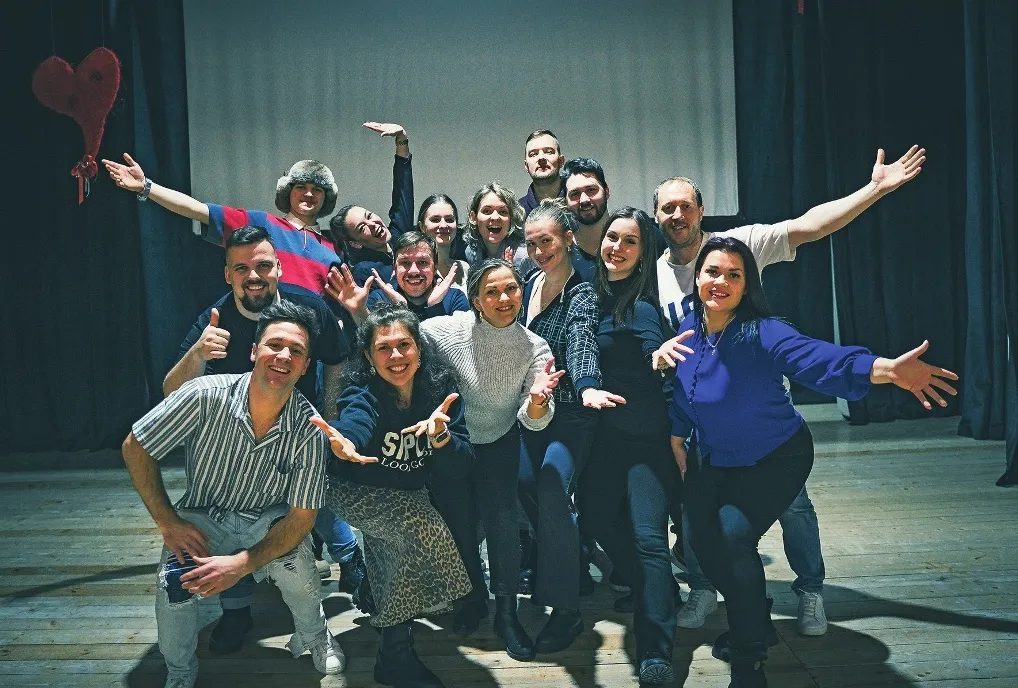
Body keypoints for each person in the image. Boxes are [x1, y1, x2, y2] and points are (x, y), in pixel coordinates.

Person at [653, 145, 926, 635]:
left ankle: (810, 591)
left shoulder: (738, 249)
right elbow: (665, 355)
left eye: (685, 205)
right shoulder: (656, 279)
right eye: (667, 207)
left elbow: (811, 227)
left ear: (701, 211)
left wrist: (873, 189)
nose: (677, 215)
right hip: (704, 427)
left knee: (792, 507)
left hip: (766, 420)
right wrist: (674, 424)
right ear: (656, 215)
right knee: (698, 517)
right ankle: (704, 590)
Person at [663, 235, 957, 687]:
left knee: (731, 537)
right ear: (697, 276)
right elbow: (690, 391)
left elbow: (822, 360)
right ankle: (755, 618)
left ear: (747, 285)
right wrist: (677, 436)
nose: (721, 281)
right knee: (702, 542)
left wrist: (885, 370)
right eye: (713, 271)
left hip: (776, 457)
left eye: (734, 275)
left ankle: (749, 658)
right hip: (715, 457)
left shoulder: (764, 332)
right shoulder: (689, 327)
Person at [162, 226, 366, 653]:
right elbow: (172, 395)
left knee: (313, 497)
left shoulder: (308, 306)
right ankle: (236, 611)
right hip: (230, 443)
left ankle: (350, 559)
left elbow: (337, 360)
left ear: (278, 268)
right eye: (241, 268)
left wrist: (330, 420)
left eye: (262, 266)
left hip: (295, 431)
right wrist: (197, 354)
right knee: (226, 511)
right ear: (228, 275)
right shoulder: (214, 320)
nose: (253, 276)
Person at [121, 301, 346, 688]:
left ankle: (313, 635)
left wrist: (241, 564)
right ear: (254, 351)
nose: (284, 356)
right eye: (275, 345)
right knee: (174, 583)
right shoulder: (204, 394)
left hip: (267, 519)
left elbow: (301, 519)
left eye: (296, 351)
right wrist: (167, 521)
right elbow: (136, 446)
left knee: (298, 566)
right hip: (204, 518)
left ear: (306, 366)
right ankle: (180, 670)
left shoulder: (309, 428)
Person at [312, 306, 473, 688]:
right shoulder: (363, 391)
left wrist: (441, 437)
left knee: (397, 544)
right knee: (421, 526)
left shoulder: (440, 392)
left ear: (420, 349)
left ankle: (377, 604)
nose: (396, 356)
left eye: (404, 345)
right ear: (368, 357)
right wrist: (345, 442)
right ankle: (395, 653)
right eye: (383, 348)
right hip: (353, 488)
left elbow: (461, 465)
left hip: (405, 490)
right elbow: (356, 419)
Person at [419, 259, 563, 661]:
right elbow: (403, 336)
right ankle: (473, 600)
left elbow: (534, 421)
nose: (504, 298)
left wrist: (538, 401)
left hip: (500, 442)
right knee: (459, 526)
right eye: (492, 292)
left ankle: (507, 614)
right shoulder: (447, 331)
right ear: (476, 301)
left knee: (503, 527)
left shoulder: (534, 347)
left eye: (511, 289)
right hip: (454, 442)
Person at [577, 207, 683, 685]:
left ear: (644, 254)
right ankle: (652, 587)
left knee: (648, 539)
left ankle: (656, 651)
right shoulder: (589, 297)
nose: (616, 247)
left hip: (645, 441)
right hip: (605, 439)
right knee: (597, 519)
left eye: (630, 241)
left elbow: (651, 346)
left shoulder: (641, 307)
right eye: (612, 237)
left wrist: (658, 356)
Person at [517, 199, 619, 653]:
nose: (540, 251)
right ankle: (571, 563)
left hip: (573, 414)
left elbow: (581, 340)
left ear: (568, 239)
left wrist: (587, 385)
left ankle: (566, 611)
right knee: (526, 485)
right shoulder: (528, 283)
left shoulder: (582, 292)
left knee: (552, 485)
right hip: (532, 412)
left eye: (547, 241)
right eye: (532, 243)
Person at [102, 153, 342, 296]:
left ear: (326, 197)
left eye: (317, 189)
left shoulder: (332, 250)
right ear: (288, 192)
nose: (308, 194)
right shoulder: (261, 223)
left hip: (312, 349)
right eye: (301, 187)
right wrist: (147, 187)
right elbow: (197, 210)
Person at [328, 122, 414, 285]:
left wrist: (401, 139)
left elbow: (403, 192)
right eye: (362, 228)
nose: (373, 224)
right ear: (355, 243)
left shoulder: (399, 238)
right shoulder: (364, 271)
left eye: (369, 216)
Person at [329, 231, 469, 325]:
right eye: (405, 263)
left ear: (435, 266)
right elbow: (377, 347)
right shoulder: (379, 299)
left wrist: (435, 308)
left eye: (422, 262)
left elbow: (452, 351)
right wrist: (359, 311)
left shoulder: (455, 299)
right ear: (395, 268)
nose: (413, 271)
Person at [462, 182, 535, 276]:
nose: (495, 217)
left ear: (511, 218)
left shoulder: (525, 257)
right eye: (487, 211)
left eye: (503, 212)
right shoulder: (471, 252)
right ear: (473, 217)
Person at [416, 193, 469, 289]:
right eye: (435, 220)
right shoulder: (415, 270)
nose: (444, 225)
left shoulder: (464, 268)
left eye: (449, 220)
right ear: (422, 227)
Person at [520, 129, 566, 217]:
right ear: (526, 165)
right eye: (533, 154)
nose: (541, 158)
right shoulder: (517, 213)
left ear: (561, 161)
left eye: (549, 152)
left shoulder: (579, 204)